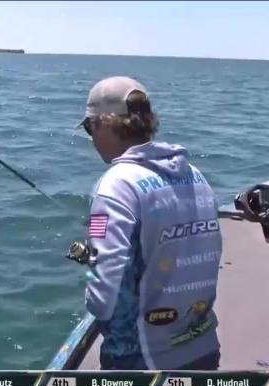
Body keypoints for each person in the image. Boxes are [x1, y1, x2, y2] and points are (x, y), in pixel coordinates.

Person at [78, 76, 222, 370]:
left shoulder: (114, 187)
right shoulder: (194, 175)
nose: (91, 138)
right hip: (203, 348)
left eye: (89, 127)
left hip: (143, 362)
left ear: (105, 123)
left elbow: (103, 297)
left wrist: (92, 273)